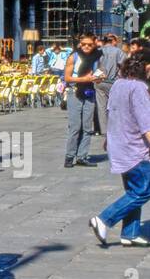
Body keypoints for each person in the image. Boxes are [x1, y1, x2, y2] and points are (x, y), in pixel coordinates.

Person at [89, 56, 150, 248]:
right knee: (143, 191)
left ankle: (130, 233)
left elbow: (111, 112)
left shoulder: (118, 84)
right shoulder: (139, 88)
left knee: (133, 190)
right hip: (135, 148)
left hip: (119, 144)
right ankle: (104, 219)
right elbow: (145, 123)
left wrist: (108, 138)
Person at [63, 34, 103, 167]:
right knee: (75, 126)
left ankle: (82, 156)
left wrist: (99, 77)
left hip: (89, 91)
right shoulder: (73, 57)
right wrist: (84, 79)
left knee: (87, 127)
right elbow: (67, 78)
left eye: (89, 44)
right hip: (74, 92)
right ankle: (69, 156)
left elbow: (98, 72)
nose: (86, 46)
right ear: (80, 44)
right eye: (84, 44)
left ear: (94, 44)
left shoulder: (98, 56)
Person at [95, 33, 124, 143]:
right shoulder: (118, 51)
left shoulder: (98, 51)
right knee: (114, 106)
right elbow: (124, 65)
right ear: (113, 41)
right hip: (112, 82)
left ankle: (104, 130)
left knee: (101, 106)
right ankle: (114, 129)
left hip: (98, 81)